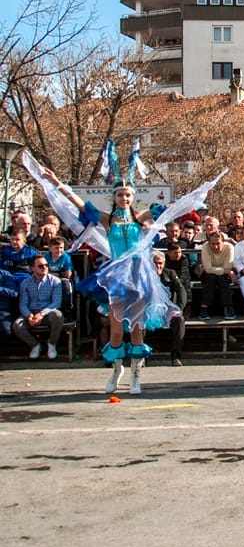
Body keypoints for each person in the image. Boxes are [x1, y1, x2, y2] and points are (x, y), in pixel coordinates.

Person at [41, 168, 181, 395]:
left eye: (127, 195)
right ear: (114, 197)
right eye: (120, 195)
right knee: (116, 330)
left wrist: (190, 198)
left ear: (132, 196)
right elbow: (79, 204)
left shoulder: (141, 216)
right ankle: (117, 371)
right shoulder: (108, 219)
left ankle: (136, 375)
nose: (124, 198)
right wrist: (56, 181)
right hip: (117, 278)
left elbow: (169, 210)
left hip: (138, 276)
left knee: (136, 329)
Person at [13, 254, 65, 359]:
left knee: (58, 316)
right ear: (33, 268)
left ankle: (52, 343)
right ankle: (35, 345)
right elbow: (23, 303)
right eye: (40, 266)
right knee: (17, 325)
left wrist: (41, 314)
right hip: (31, 312)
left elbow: (56, 302)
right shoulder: (25, 283)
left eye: (46, 265)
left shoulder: (55, 281)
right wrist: (29, 315)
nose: (44, 268)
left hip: (47, 312)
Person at [152, 250, 187, 365]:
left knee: (180, 320)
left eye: (160, 263)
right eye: (155, 263)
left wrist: (179, 308)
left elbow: (181, 291)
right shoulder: (144, 276)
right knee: (140, 322)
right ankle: (142, 356)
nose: (158, 266)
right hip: (149, 311)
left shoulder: (170, 274)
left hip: (167, 311)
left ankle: (176, 357)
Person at [198, 230, 236, 319]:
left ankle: (228, 307)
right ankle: (204, 308)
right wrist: (228, 272)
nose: (215, 246)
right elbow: (208, 269)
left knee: (221, 278)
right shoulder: (205, 247)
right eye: (212, 244)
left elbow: (228, 266)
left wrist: (227, 271)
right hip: (208, 274)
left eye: (218, 243)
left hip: (223, 275)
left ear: (223, 242)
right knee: (211, 277)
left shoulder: (229, 248)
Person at [44, 236, 75, 318]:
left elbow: (68, 273)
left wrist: (61, 275)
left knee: (66, 285)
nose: (59, 250)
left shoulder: (65, 257)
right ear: (50, 248)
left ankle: (67, 310)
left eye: (61, 247)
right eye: (56, 248)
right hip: (49, 277)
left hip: (61, 278)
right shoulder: (46, 256)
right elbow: (44, 271)